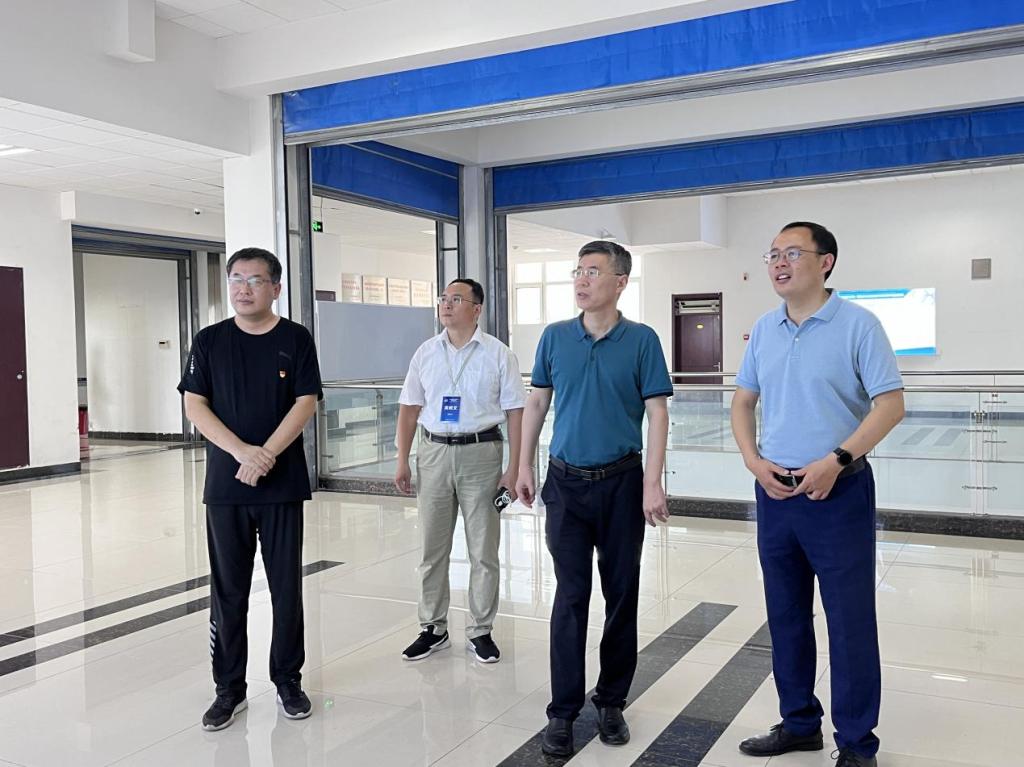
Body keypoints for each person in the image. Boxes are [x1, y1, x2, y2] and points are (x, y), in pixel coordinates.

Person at [731, 222, 905, 767]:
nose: (779, 263)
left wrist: (838, 460)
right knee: (785, 614)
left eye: (792, 253)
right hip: (775, 494)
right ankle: (799, 722)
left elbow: (890, 405)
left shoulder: (859, 325)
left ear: (825, 261)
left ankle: (856, 742)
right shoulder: (765, 328)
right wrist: (754, 461)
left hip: (838, 494)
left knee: (849, 621)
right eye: (773, 255)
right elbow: (742, 402)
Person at [515, 240, 673, 758]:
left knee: (622, 594)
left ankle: (610, 701)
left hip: (622, 482)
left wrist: (653, 482)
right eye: (578, 271)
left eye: (593, 271)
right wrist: (522, 464)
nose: (582, 280)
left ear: (620, 281)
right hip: (565, 484)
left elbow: (657, 413)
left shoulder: (642, 340)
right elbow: (537, 402)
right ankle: (562, 712)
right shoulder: (556, 337)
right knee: (570, 596)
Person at [178, 247, 322, 731]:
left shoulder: (295, 338)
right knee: (228, 590)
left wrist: (267, 455)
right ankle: (229, 689)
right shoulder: (209, 340)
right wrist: (242, 452)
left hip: (282, 485)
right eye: (236, 279)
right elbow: (195, 405)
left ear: (275, 288)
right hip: (227, 487)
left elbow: (306, 402)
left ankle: (287, 680)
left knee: (286, 588)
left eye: (255, 280)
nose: (244, 288)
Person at [394, 278, 526, 663]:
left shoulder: (498, 354)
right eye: (443, 299)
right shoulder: (425, 352)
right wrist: (402, 459)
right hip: (433, 452)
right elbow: (409, 409)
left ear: (477, 309)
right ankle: (432, 628)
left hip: (481, 453)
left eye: (456, 299)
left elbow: (516, 413)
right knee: (431, 548)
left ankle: (481, 630)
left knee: (483, 549)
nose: (446, 305)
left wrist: (514, 468)